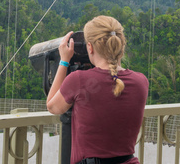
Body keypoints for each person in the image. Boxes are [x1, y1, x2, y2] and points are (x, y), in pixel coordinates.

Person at [47, 15, 149, 164]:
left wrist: (64, 61)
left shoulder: (79, 80)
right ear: (122, 45)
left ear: (90, 47)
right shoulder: (141, 81)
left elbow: (52, 106)